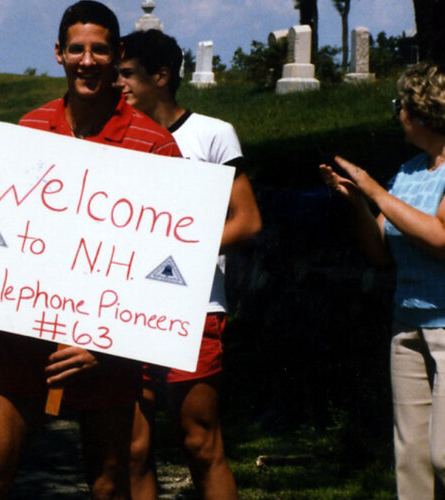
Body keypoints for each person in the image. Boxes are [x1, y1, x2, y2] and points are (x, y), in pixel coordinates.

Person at [0, 3, 182, 499]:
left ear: (117, 54)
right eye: (76, 48)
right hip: (24, 336)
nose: (88, 60)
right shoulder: (30, 129)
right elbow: (1, 229)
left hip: (107, 351)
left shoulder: (155, 146)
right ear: (59, 53)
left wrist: (103, 340)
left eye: (100, 49)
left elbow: (169, 276)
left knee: (107, 486)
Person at [319, 60, 445, 500]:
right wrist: (357, 202)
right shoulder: (411, 171)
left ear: (420, 110)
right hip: (411, 322)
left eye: (400, 105)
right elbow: (379, 252)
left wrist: (374, 189)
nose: (397, 115)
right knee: (412, 458)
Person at [115, 30, 261, 500]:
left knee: (199, 441)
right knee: (133, 448)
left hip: (193, 308)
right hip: (122, 308)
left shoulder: (212, 134)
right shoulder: (110, 136)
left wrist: (177, 252)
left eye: (126, 73)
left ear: (161, 76)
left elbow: (247, 222)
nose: (118, 84)